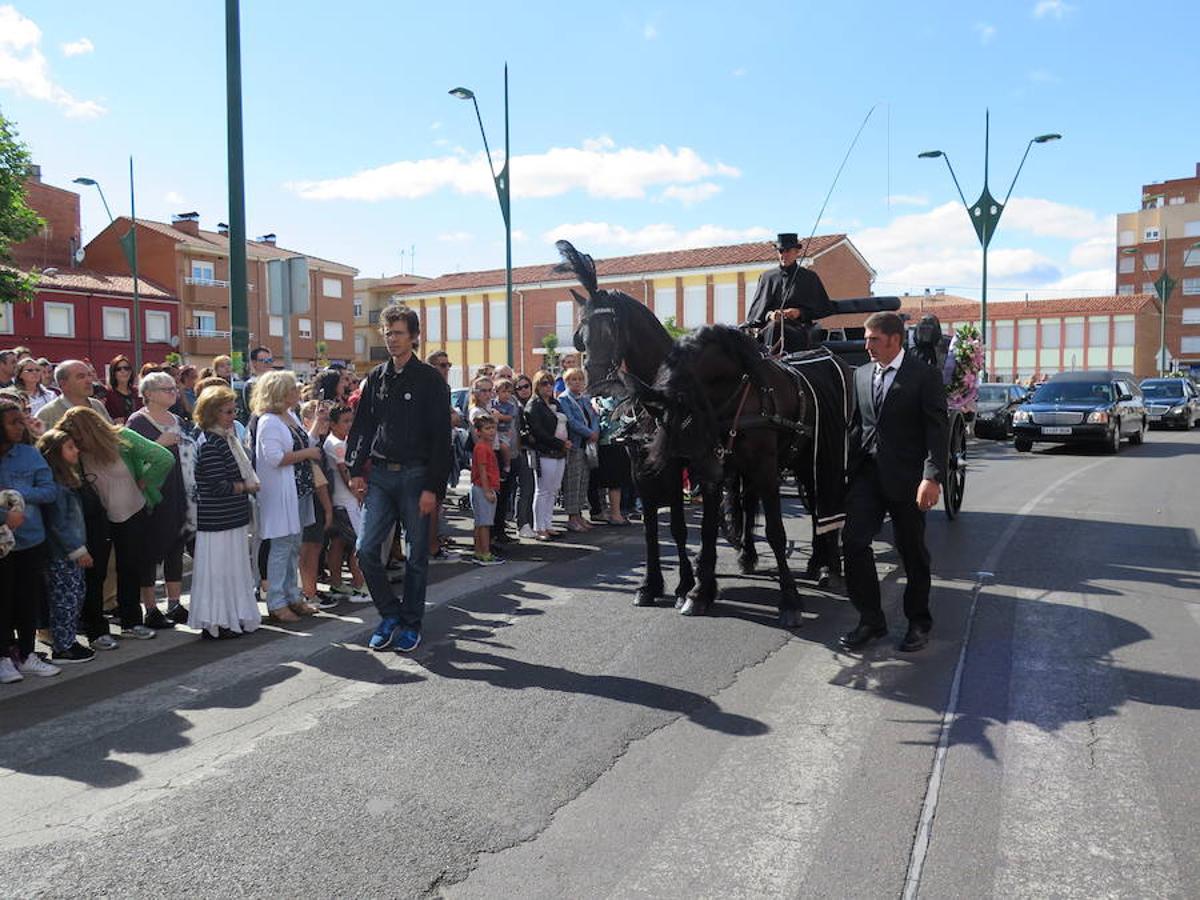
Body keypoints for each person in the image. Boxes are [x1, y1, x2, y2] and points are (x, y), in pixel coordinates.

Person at [839, 311, 949, 653]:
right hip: (868, 475)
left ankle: (918, 621)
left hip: (907, 478)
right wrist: (844, 469)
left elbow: (937, 429)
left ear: (894, 340)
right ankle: (871, 620)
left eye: (873, 339)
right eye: (866, 339)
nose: (866, 345)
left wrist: (932, 477)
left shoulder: (924, 376)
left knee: (911, 551)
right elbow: (857, 426)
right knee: (854, 542)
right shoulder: (859, 375)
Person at [345, 303, 450, 654]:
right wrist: (355, 469)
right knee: (365, 551)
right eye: (387, 333)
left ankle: (410, 623)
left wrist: (433, 488)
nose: (391, 339)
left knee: (416, 556)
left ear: (414, 337)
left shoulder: (430, 379)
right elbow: (362, 427)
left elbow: (441, 439)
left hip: (417, 476)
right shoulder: (376, 377)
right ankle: (389, 614)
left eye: (398, 333)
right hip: (380, 478)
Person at [58, 406, 174, 640]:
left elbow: (164, 457)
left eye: (79, 435)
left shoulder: (122, 437)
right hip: (97, 517)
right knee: (96, 573)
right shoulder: (75, 451)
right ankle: (96, 630)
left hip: (133, 510)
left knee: (130, 568)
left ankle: (132, 621)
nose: (76, 441)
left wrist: (146, 480)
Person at [190, 385, 262, 639]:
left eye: (234, 410)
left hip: (229, 518)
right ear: (212, 413)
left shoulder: (224, 439)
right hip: (217, 521)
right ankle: (217, 622)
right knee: (218, 574)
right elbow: (219, 486)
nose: (233, 416)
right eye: (228, 411)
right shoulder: (211, 443)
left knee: (232, 571)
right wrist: (246, 486)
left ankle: (232, 617)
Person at [253, 370, 322, 624]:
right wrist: (308, 453)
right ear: (280, 393)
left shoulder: (289, 415)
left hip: (298, 491)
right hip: (283, 493)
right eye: (292, 388)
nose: (297, 391)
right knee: (282, 547)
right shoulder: (269, 421)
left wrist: (315, 428)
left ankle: (293, 596)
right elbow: (275, 458)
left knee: (294, 546)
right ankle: (277, 602)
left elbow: (304, 446)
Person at [0, 397, 61, 682]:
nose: (19, 427)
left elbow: (49, 490)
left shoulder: (30, 454)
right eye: (12, 422)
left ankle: (26, 653)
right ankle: (3, 657)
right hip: (3, 543)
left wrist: (20, 498)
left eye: (20, 421)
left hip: (30, 539)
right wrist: (4, 514)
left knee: (28, 599)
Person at [127, 371, 194, 627]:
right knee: (150, 550)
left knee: (176, 547)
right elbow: (133, 460)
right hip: (153, 494)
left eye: (174, 389)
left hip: (180, 490)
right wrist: (160, 442)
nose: (173, 393)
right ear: (149, 394)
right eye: (167, 389)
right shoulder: (137, 422)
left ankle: (175, 603)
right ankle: (151, 608)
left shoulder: (177, 419)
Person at [36, 428, 96, 663]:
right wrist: (78, 550)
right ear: (55, 453)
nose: (76, 451)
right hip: (63, 555)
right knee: (65, 599)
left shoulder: (65, 481)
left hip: (69, 552)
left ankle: (68, 640)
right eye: (70, 447)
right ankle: (63, 646)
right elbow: (59, 523)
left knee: (74, 595)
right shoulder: (56, 487)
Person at [745, 232, 836, 353]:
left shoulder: (809, 277)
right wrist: (771, 315)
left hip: (799, 330)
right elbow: (756, 313)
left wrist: (798, 312)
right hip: (768, 331)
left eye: (787, 251)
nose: (783, 255)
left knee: (777, 327)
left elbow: (823, 308)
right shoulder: (767, 277)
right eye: (780, 251)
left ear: (797, 252)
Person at [322, 403, 370, 603]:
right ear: (332, 424)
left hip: (339, 502)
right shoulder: (337, 445)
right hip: (347, 502)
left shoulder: (334, 442)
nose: (349, 425)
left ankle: (336, 582)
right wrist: (358, 494)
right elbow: (345, 473)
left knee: (339, 544)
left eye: (351, 421)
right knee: (359, 544)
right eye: (345, 421)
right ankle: (359, 584)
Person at [525, 370, 570, 541]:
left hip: (559, 452)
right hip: (544, 452)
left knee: (553, 490)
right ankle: (539, 527)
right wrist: (560, 443)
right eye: (544, 383)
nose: (548, 386)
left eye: (550, 383)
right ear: (537, 385)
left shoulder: (555, 403)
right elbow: (538, 432)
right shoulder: (534, 405)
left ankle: (548, 523)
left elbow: (566, 424)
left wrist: (566, 443)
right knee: (542, 490)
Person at [558, 367, 598, 533]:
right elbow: (572, 421)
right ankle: (572, 517)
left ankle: (580, 514)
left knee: (583, 481)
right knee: (572, 482)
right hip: (574, 445)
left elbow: (594, 417)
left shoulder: (585, 398)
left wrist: (595, 432)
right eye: (573, 379)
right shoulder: (564, 399)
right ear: (567, 382)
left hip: (586, 446)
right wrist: (589, 433)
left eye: (580, 379)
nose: (577, 382)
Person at [37, 360, 114, 429]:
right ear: (63, 383)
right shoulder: (47, 415)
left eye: (89, 375)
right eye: (81, 377)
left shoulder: (97, 405)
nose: (89, 381)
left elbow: (112, 435)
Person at [469, 415, 504, 566]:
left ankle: (478, 552)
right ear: (478, 432)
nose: (491, 432)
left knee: (480, 523)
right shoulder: (482, 448)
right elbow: (482, 471)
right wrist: (487, 490)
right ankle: (485, 553)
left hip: (480, 488)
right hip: (483, 488)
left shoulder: (484, 447)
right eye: (487, 429)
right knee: (485, 524)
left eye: (493, 428)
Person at [511, 375, 536, 539]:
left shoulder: (533, 404)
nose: (524, 390)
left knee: (532, 488)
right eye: (519, 387)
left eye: (526, 386)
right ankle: (522, 523)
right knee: (525, 488)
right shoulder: (517, 406)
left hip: (533, 450)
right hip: (521, 450)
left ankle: (530, 523)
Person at [239, 346, 275, 423]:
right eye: (263, 361)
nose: (268, 363)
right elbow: (254, 410)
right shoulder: (251, 384)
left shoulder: (275, 382)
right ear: (254, 363)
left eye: (270, 360)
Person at [104, 355, 141, 425]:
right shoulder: (108, 394)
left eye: (126, 368)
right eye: (118, 369)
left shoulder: (137, 392)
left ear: (131, 371)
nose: (123, 371)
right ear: (113, 373)